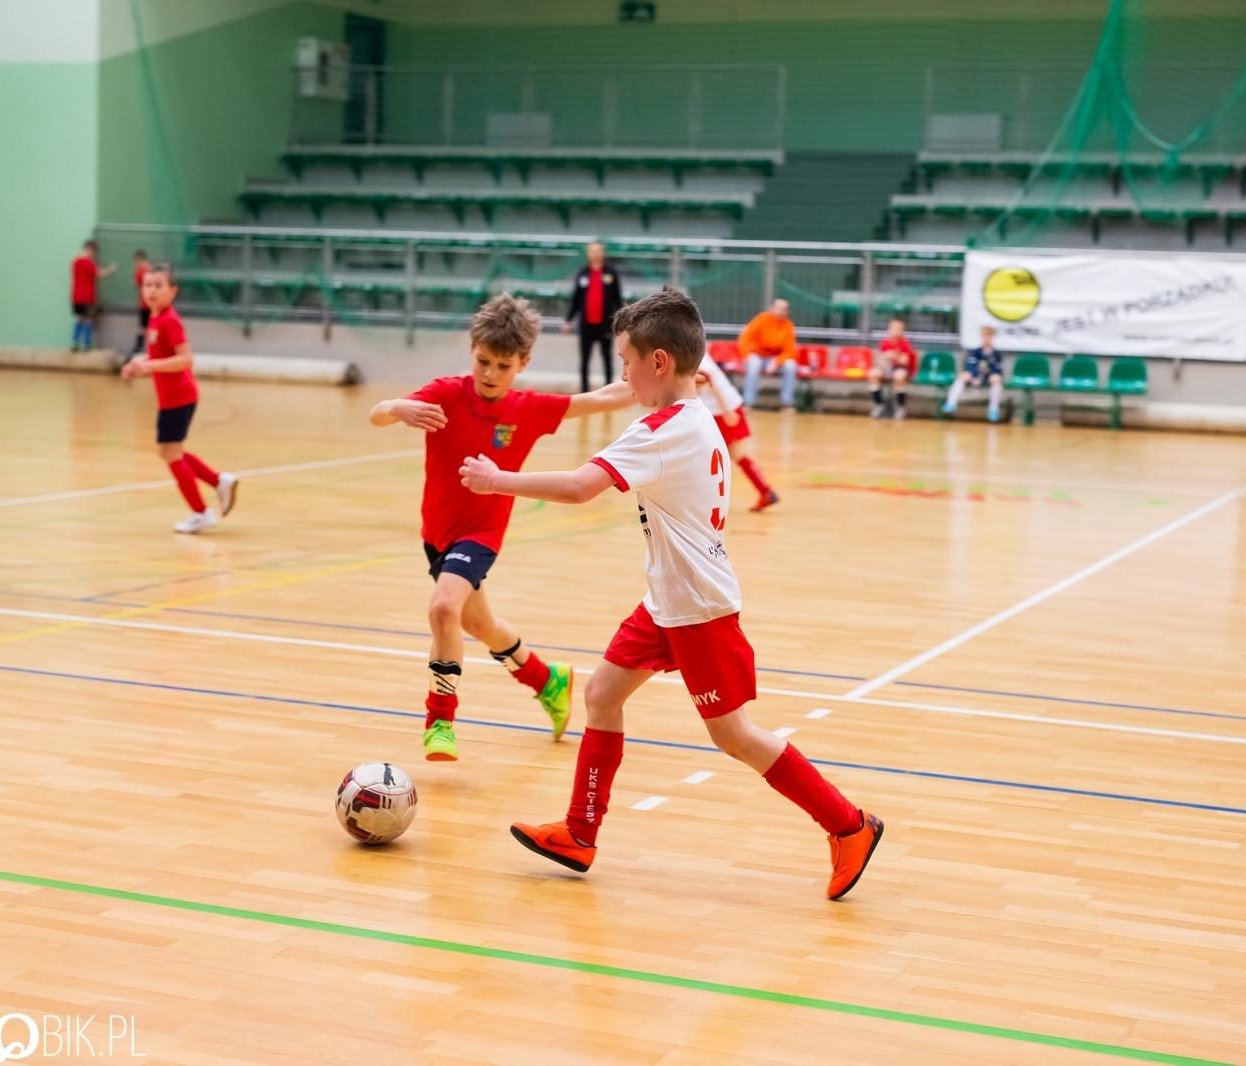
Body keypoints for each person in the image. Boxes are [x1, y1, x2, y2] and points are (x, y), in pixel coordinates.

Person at [461, 288, 884, 901]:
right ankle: (579, 833)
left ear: (659, 363)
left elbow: (582, 488)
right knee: (602, 694)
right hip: (667, 599)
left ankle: (849, 826)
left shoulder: (660, 430)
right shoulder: (699, 417)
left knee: (735, 736)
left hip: (698, 610)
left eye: (627, 361)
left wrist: (498, 480)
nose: (623, 375)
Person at [369, 293, 638, 763]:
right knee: (476, 622)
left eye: (502, 365)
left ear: (523, 363)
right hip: (437, 534)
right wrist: (397, 407)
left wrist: (665, 382)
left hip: (480, 534)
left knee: (442, 609)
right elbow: (377, 415)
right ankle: (546, 680)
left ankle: (440, 719)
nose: (490, 373)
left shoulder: (527, 409)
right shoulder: (447, 393)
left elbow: (602, 398)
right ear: (472, 349)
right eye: (483, 361)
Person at [120, 264, 238, 533]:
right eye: (147, 285)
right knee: (170, 451)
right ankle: (219, 482)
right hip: (172, 397)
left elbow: (185, 359)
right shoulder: (155, 318)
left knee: (170, 453)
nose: (151, 290)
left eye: (158, 286)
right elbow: (161, 355)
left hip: (178, 396)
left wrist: (150, 367)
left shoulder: (169, 320)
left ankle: (201, 511)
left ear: (172, 291)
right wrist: (140, 362)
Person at [698, 354, 778, 512]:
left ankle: (765, 491)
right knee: (733, 455)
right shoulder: (695, 351)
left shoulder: (695, 355)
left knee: (714, 456)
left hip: (722, 410)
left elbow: (710, 382)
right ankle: (765, 491)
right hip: (723, 408)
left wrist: (726, 410)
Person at [563, 242, 624, 393]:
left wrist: (620, 321)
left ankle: (608, 389)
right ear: (588, 253)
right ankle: (584, 391)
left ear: (602, 253)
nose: (595, 254)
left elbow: (617, 298)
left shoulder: (611, 272)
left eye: (598, 251)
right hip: (586, 325)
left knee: (607, 359)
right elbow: (576, 298)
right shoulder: (583, 273)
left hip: (605, 324)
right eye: (592, 251)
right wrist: (568, 320)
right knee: (584, 360)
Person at [738, 298, 799, 410]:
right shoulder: (762, 319)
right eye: (779, 308)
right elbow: (745, 336)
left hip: (775, 360)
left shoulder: (788, 326)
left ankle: (787, 403)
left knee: (791, 365)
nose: (781, 311)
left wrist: (776, 362)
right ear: (772, 308)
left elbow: (790, 351)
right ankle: (748, 402)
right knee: (753, 365)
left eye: (784, 309)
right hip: (757, 356)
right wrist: (746, 357)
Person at [944, 324, 1005, 422]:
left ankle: (993, 409)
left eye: (989, 336)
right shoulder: (975, 352)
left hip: (989, 376)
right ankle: (951, 403)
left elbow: (998, 369)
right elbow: (971, 365)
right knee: (962, 376)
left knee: (997, 379)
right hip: (975, 375)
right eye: (985, 336)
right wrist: (974, 376)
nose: (987, 338)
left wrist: (989, 372)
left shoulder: (997, 354)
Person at [70, 240, 116, 352]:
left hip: (76, 296)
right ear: (90, 249)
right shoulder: (88, 263)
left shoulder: (75, 261)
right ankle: (86, 344)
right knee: (89, 319)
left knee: (80, 318)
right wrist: (111, 269)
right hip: (87, 296)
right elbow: (101, 273)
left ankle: (75, 342)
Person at [870, 318, 918, 420]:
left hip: (902, 369)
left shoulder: (905, 343)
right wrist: (884, 360)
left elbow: (904, 361)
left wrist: (894, 356)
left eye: (898, 328)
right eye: (893, 328)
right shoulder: (884, 342)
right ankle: (878, 405)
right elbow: (880, 359)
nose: (895, 330)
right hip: (887, 368)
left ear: (902, 331)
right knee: (873, 373)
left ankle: (901, 407)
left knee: (899, 376)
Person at [128, 249, 151, 360]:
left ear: (139, 259)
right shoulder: (151, 269)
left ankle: (139, 347)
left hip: (144, 304)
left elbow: (135, 283)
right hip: (152, 304)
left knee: (143, 327)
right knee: (150, 326)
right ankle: (147, 347)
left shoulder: (141, 271)